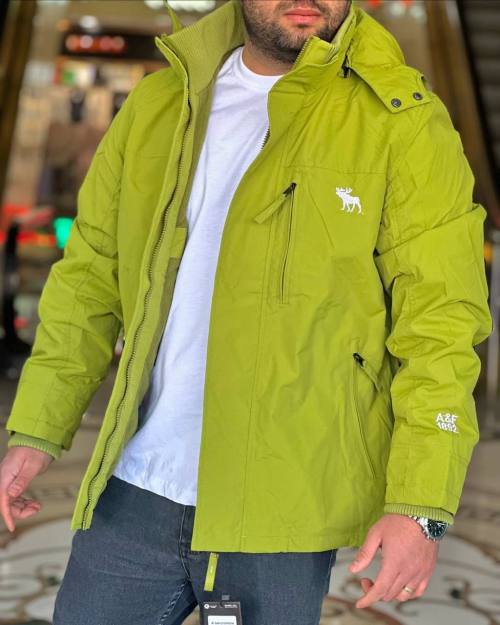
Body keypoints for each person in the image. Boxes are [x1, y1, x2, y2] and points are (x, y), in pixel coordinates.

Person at [0, 0, 492, 623]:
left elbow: (440, 324)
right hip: (135, 489)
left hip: (283, 501)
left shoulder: (402, 120)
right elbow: (90, 281)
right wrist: (37, 431)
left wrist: (421, 505)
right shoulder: (160, 104)